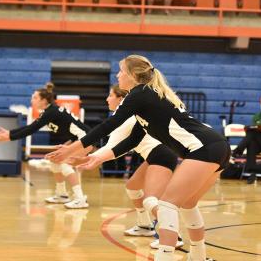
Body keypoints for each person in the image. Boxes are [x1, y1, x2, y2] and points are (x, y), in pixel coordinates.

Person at [46, 55, 230, 261]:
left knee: (168, 204)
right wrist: (97, 158)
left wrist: (70, 150)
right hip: (217, 147)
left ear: (133, 75)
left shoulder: (139, 94)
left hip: (203, 148)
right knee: (187, 204)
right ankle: (198, 257)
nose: (117, 75)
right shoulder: (149, 97)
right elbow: (133, 140)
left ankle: (165, 257)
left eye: (121, 71)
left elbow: (108, 125)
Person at [81, 84, 184, 248]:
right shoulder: (129, 117)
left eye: (110, 95)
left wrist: (81, 157)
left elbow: (111, 148)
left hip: (162, 155)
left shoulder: (126, 119)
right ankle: (144, 226)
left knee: (151, 200)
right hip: (154, 155)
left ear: (121, 99)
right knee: (133, 187)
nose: (107, 99)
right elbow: (117, 148)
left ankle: (174, 235)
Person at [0, 82, 91, 209]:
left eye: (35, 97)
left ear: (43, 100)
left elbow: (31, 129)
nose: (31, 100)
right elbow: (73, 132)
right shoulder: (49, 111)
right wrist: (66, 145)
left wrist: (9, 136)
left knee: (65, 162)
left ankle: (80, 198)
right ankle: (62, 195)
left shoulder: (51, 112)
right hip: (78, 140)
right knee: (54, 160)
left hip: (87, 139)